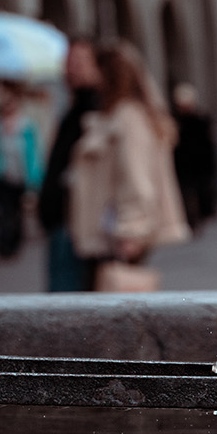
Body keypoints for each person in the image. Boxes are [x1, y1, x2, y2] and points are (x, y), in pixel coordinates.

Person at [67, 42, 190, 289]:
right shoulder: (126, 115)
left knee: (107, 307)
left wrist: (131, 230)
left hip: (115, 235)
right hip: (108, 231)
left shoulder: (128, 118)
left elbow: (136, 178)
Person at [38, 38, 101, 291]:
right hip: (62, 222)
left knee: (66, 306)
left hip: (77, 226)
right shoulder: (72, 110)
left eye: (78, 62)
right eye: (68, 62)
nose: (70, 69)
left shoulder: (96, 112)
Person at [0, 82, 42, 258]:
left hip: (20, 175)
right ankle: (3, 243)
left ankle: (14, 242)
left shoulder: (26, 126)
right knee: (2, 211)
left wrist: (34, 178)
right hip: (1, 175)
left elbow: (33, 153)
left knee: (16, 212)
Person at [171, 83, 217, 230]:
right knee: (186, 193)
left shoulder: (201, 121)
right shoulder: (176, 122)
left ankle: (202, 215)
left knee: (201, 190)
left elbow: (209, 145)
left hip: (199, 164)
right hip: (184, 165)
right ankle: (190, 219)